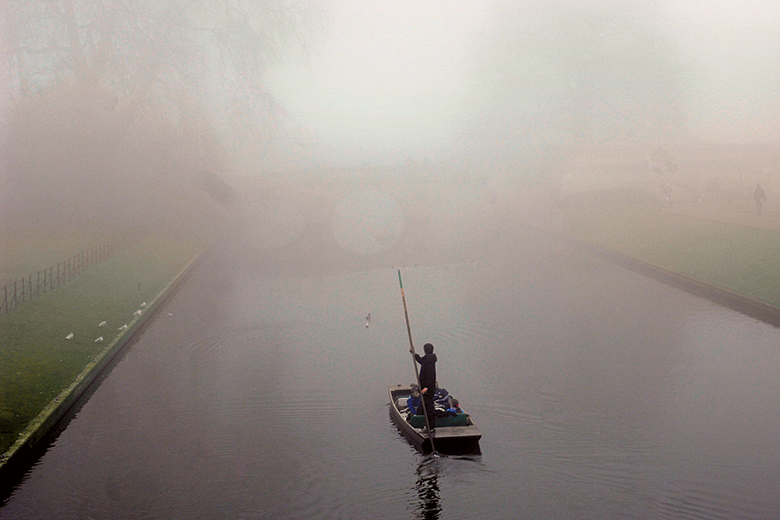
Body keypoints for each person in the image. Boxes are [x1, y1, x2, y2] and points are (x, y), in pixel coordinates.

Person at [411, 342, 437, 432]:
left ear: (425, 350)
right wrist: (414, 354)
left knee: (428, 407)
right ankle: (422, 423)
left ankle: (430, 427)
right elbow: (421, 361)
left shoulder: (429, 361)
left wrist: (426, 387)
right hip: (426, 388)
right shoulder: (428, 359)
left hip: (427, 389)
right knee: (424, 406)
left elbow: (430, 375)